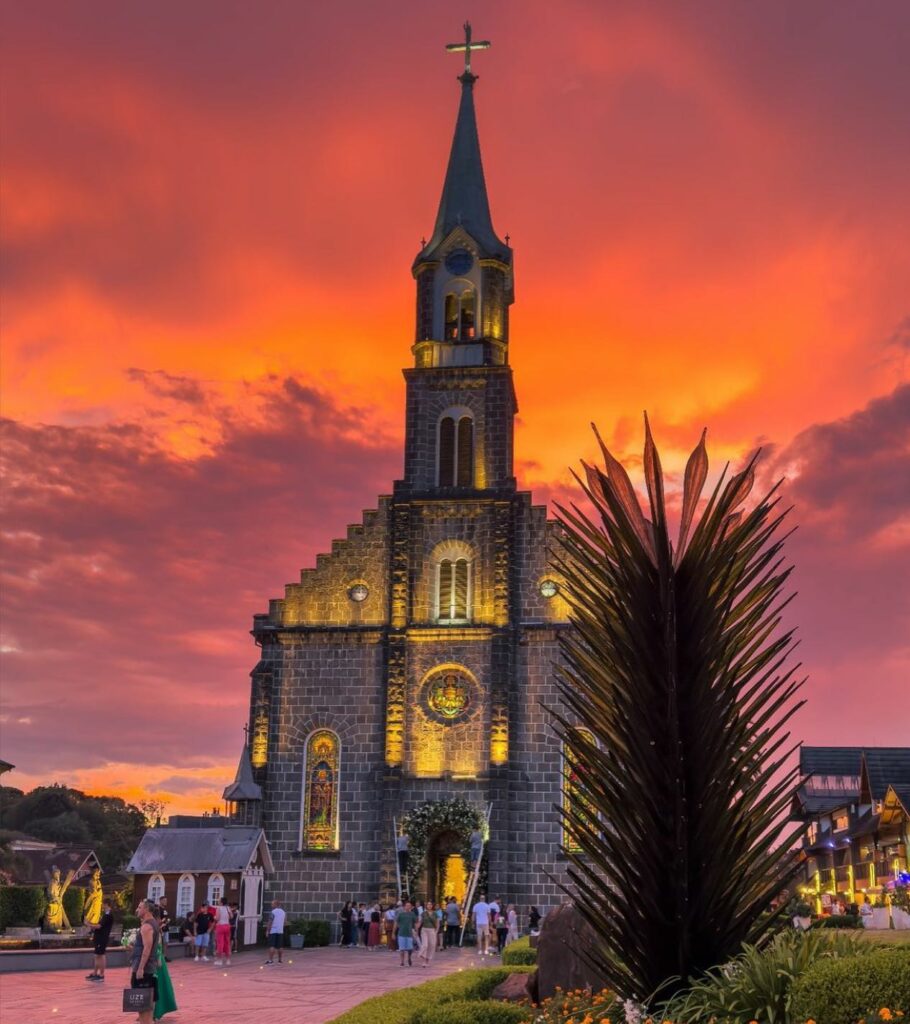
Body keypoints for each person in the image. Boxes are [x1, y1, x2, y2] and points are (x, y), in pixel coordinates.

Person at [130, 899, 160, 1024]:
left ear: (146, 909)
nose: (137, 909)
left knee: (143, 1007)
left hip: (144, 970)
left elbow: (147, 948)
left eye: (139, 907)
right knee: (147, 1006)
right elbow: (153, 945)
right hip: (150, 969)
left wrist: (140, 968)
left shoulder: (147, 926)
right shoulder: (154, 923)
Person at [86, 898, 113, 981]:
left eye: (103, 903)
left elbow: (99, 926)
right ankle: (95, 973)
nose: (102, 905)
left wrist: (89, 924)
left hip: (102, 938)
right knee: (97, 955)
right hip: (99, 938)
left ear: (107, 904)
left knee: (100, 955)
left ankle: (101, 975)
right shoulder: (105, 914)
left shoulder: (108, 915)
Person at [394, 899, 417, 967]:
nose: (408, 907)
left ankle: (409, 958)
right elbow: (396, 923)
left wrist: (416, 930)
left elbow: (415, 922)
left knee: (410, 948)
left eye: (409, 906)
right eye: (407, 906)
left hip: (409, 933)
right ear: (404, 907)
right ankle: (402, 961)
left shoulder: (412, 914)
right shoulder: (400, 914)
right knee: (402, 949)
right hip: (401, 933)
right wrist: (393, 932)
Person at [417, 901, 438, 967]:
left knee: (432, 945)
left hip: (432, 930)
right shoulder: (423, 913)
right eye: (428, 904)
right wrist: (416, 929)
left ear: (432, 905)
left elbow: (437, 923)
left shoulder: (435, 914)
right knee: (425, 945)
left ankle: (427, 961)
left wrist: (436, 930)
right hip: (424, 930)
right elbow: (420, 922)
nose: (429, 906)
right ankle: (421, 955)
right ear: (426, 906)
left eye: (430, 904)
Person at [265, 899, 286, 964]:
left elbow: (270, 922)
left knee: (272, 945)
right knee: (280, 946)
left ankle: (270, 960)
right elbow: (284, 922)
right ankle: (280, 960)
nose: (271, 905)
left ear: (276, 904)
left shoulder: (273, 912)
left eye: (272, 904)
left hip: (273, 930)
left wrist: (267, 931)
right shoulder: (283, 912)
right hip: (280, 931)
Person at [213, 897, 232, 966]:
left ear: (221, 902)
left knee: (220, 943)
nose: (218, 901)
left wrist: (214, 917)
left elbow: (217, 918)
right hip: (227, 926)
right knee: (227, 943)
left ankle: (219, 960)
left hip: (220, 926)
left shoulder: (218, 908)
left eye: (219, 900)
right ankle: (228, 960)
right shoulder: (228, 908)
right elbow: (231, 916)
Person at [157, 897, 171, 961]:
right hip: (161, 928)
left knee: (166, 942)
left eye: (166, 900)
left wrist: (168, 920)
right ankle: (160, 957)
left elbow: (166, 917)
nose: (166, 902)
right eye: (164, 900)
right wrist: (162, 922)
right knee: (160, 943)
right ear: (160, 901)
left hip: (166, 928)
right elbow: (158, 919)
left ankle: (164, 956)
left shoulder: (165, 910)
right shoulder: (158, 909)